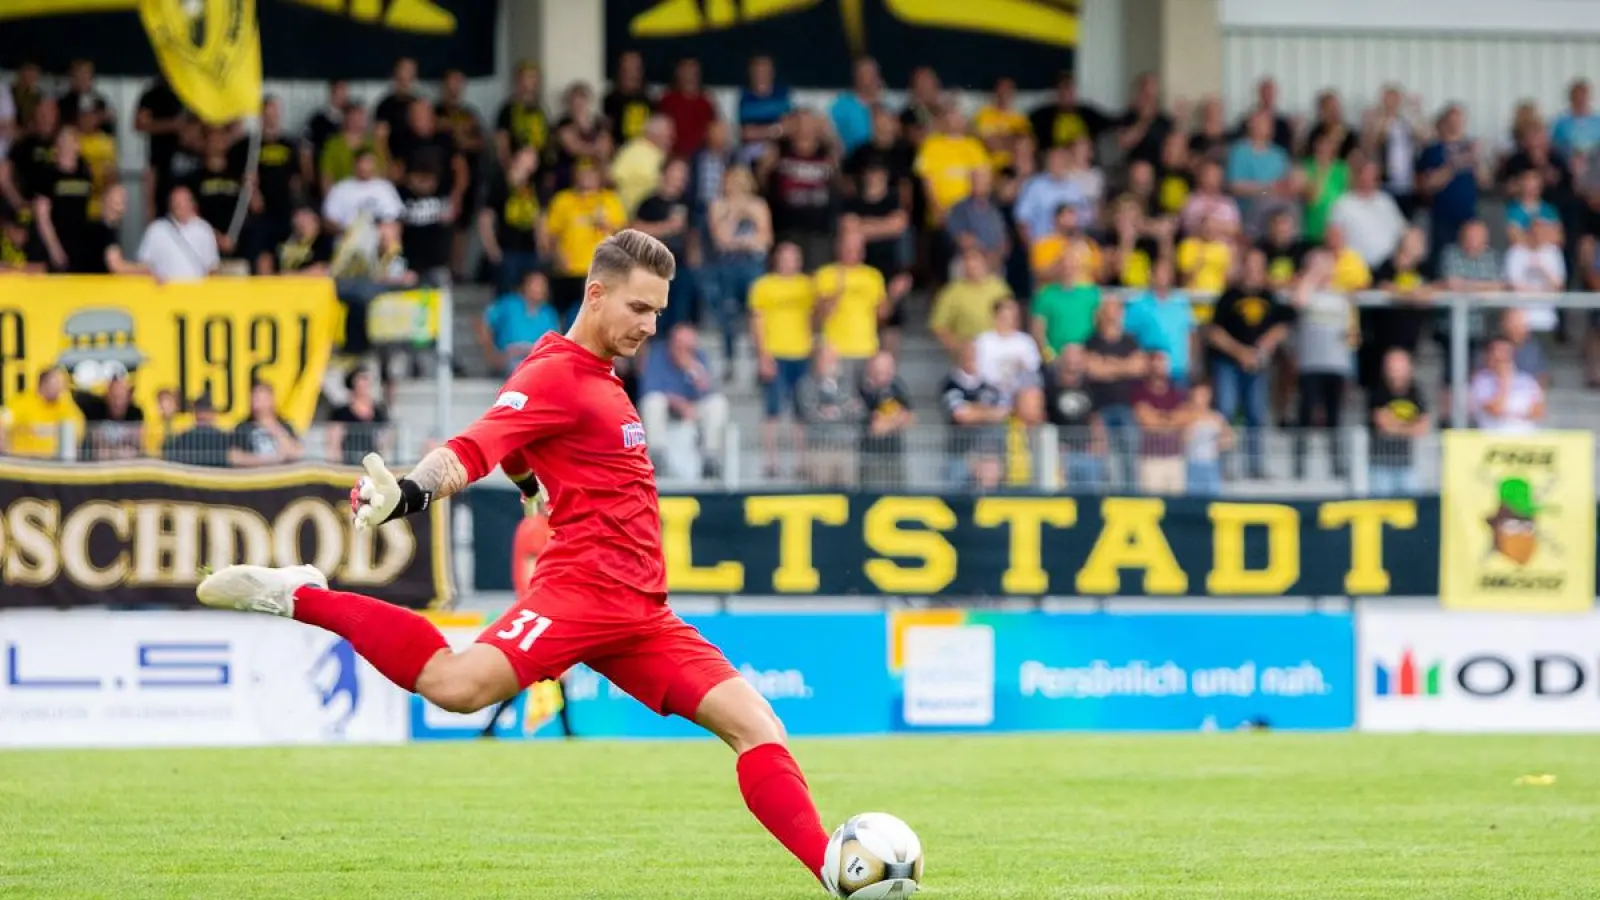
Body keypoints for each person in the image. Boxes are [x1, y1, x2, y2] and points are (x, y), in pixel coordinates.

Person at [196, 230, 836, 893]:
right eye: (640, 309)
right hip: (581, 592)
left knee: (759, 727)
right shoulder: (556, 374)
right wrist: (412, 492)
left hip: (642, 611)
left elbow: (515, 447)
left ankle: (835, 868)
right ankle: (300, 595)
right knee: (455, 688)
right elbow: (477, 445)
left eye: (658, 312)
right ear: (596, 294)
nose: (651, 326)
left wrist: (531, 490)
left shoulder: (582, 372)